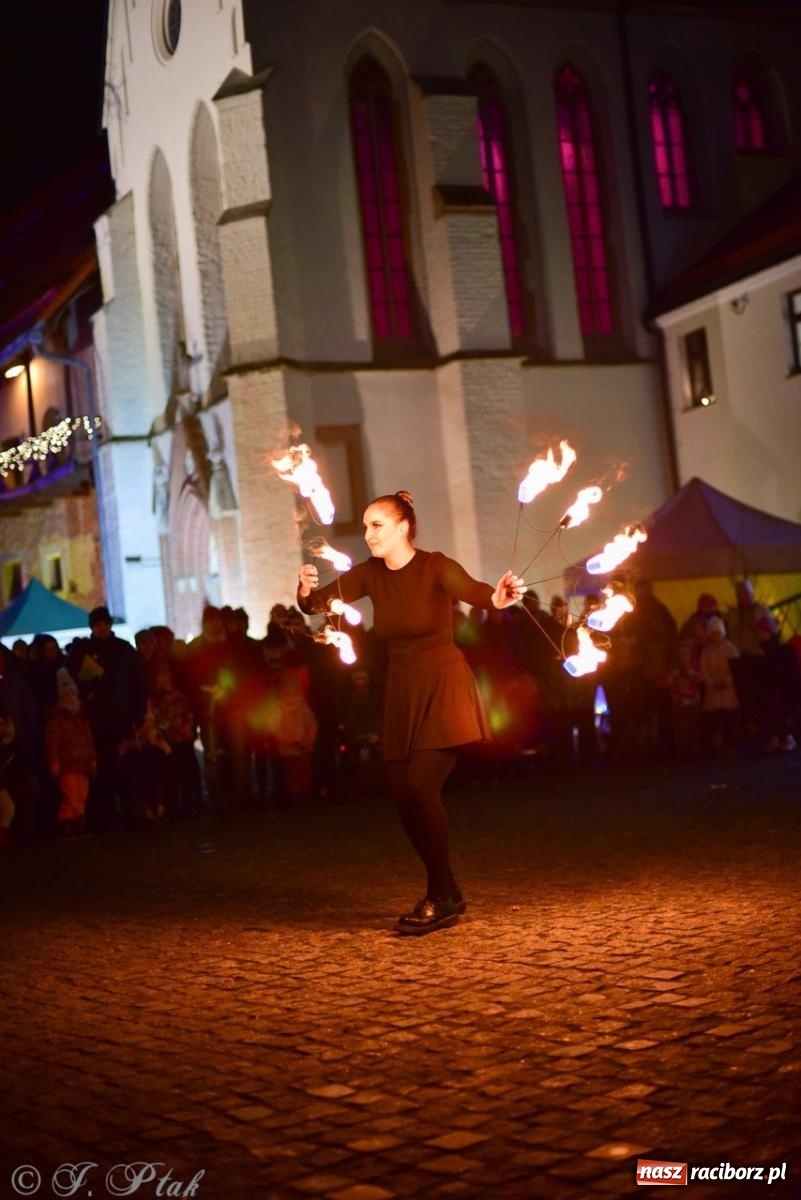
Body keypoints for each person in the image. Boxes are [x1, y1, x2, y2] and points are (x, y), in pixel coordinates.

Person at [297, 489, 525, 936]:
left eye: (376, 525)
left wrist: (498, 597)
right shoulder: (369, 574)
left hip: (442, 683)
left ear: (403, 526)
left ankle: (439, 895)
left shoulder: (435, 565)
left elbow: (479, 593)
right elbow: (315, 605)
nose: (368, 534)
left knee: (422, 786)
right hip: (402, 688)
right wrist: (305, 589)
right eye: (364, 526)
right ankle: (449, 890)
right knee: (402, 797)